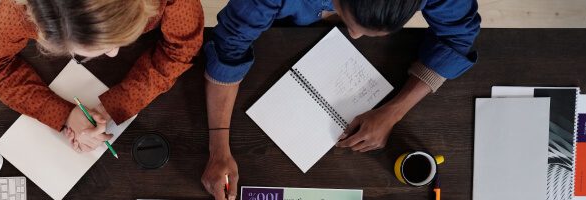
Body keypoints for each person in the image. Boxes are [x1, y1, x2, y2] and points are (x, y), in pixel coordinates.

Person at [201, 0, 481, 199]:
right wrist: (218, 148)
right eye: (351, 22)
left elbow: (458, 37)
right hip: (283, 29)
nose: (355, 36)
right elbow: (229, 47)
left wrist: (394, 111)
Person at [0, 0, 203, 152]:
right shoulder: (18, 13)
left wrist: (116, 105)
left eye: (117, 41)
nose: (113, 54)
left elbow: (182, 49)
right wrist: (64, 113)